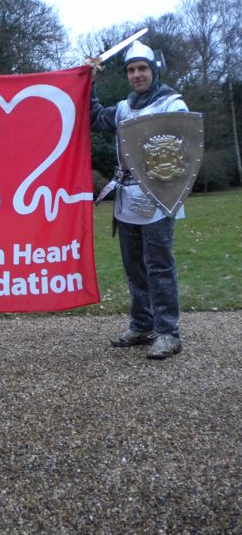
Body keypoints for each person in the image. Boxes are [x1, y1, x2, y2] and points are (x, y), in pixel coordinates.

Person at [88, 40, 189, 359]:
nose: (136, 74)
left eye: (142, 68)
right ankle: (143, 325)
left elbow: (185, 149)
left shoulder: (172, 104)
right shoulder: (123, 108)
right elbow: (93, 118)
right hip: (127, 196)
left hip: (159, 195)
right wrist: (89, 81)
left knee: (159, 266)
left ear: (153, 70)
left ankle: (168, 332)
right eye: (131, 70)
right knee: (134, 267)